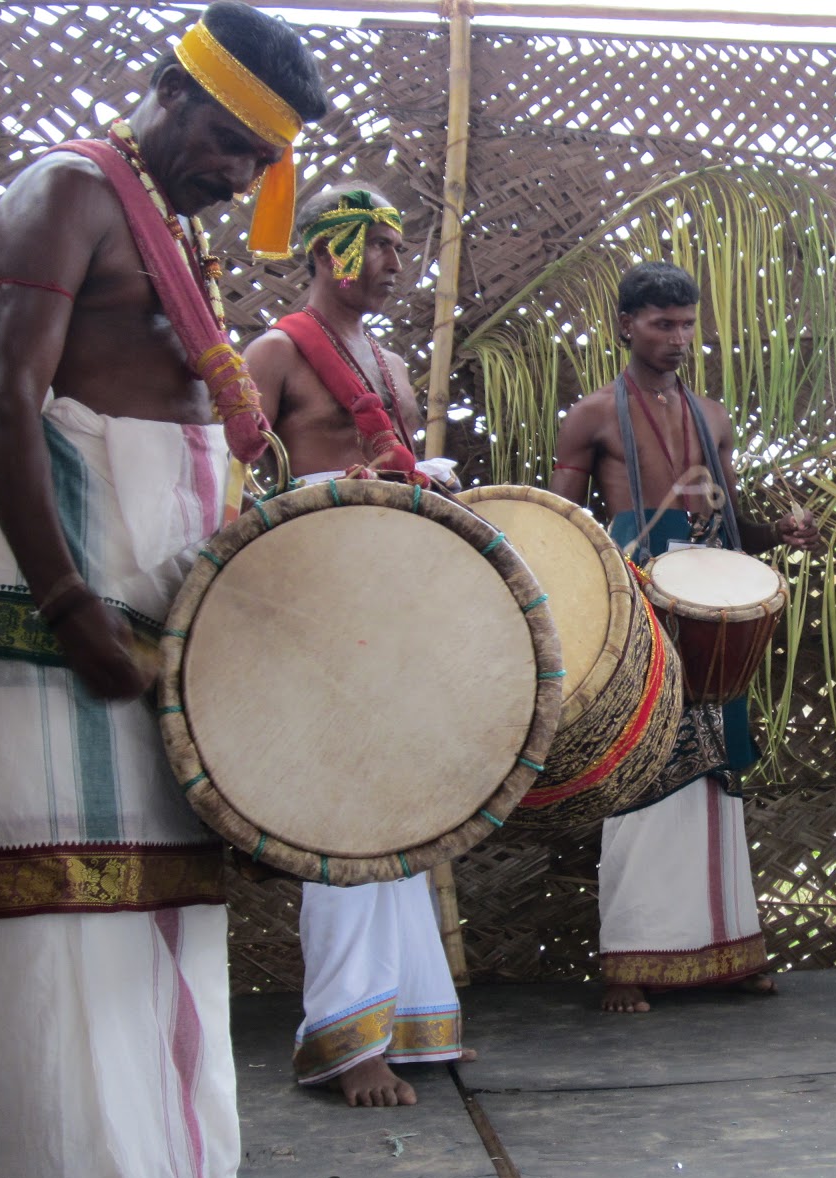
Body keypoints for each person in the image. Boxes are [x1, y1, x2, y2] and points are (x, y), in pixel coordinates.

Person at [0, 3, 327, 1178]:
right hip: (60, 594)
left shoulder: (168, 231)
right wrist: (63, 598)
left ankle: (162, 1173)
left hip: (146, 596)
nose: (236, 170)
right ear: (167, 86)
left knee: (158, 906)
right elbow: (8, 402)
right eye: (224, 139)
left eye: (258, 159)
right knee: (65, 906)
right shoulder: (66, 191)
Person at [243, 182, 468, 1107]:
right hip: (319, 601)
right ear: (330, 248)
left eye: (399, 247)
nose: (394, 262)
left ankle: (412, 1017)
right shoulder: (275, 352)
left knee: (400, 808)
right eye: (378, 246)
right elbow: (228, 489)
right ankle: (343, 1044)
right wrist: (335, 487)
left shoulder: (389, 362)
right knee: (341, 814)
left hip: (392, 600)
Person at [550, 261, 818, 1014]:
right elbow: (565, 530)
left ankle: (727, 953)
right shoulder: (594, 416)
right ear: (626, 326)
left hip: (709, 602)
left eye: (686, 323)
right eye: (661, 323)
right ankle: (630, 962)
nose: (677, 338)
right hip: (636, 608)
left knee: (712, 781)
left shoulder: (714, 416)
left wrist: (782, 534)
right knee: (637, 773)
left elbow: (730, 525)